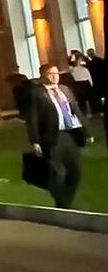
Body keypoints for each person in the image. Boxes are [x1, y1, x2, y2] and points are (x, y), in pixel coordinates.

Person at [25, 64, 90, 209]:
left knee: (76, 172)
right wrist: (34, 140)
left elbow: (76, 110)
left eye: (56, 73)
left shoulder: (65, 90)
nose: (55, 76)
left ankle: (65, 201)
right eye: (50, 74)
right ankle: (63, 205)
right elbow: (32, 117)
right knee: (57, 174)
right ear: (42, 75)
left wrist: (85, 131)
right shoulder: (36, 93)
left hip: (70, 135)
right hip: (52, 137)